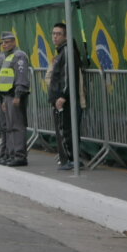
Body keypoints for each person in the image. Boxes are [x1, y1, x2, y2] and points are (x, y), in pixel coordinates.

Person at [49, 22, 84, 171]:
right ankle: (69, 159)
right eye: (53, 34)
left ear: (66, 36)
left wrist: (63, 96)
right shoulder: (62, 51)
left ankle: (69, 160)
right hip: (60, 98)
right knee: (64, 130)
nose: (55, 37)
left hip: (64, 100)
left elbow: (68, 76)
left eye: (58, 34)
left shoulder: (67, 52)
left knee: (65, 131)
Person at [0, 31, 31, 167]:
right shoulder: (7, 57)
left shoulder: (19, 56)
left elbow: (21, 77)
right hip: (8, 96)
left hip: (16, 96)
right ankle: (11, 154)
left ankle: (20, 156)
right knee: (10, 127)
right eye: (3, 42)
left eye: (7, 42)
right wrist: (5, 100)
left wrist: (18, 95)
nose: (4, 45)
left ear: (14, 42)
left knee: (17, 126)